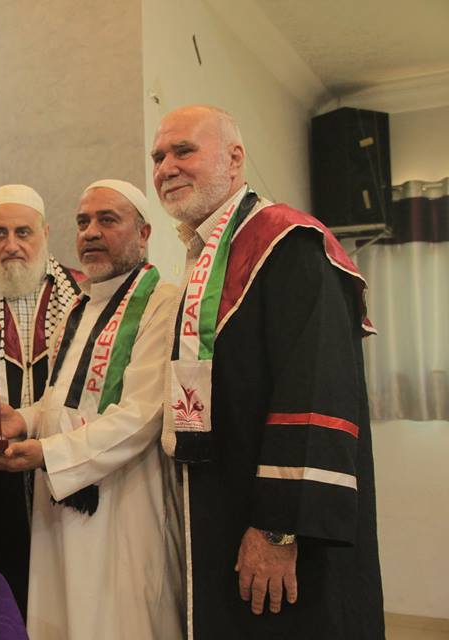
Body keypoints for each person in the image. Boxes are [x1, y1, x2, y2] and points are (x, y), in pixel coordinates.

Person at [151, 105, 383, 638]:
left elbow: (317, 391)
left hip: (282, 528)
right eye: (158, 157)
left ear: (235, 160)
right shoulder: (209, 253)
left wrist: (279, 529)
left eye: (183, 151)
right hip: (225, 503)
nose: (165, 167)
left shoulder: (290, 243)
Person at [0, 180, 182, 640]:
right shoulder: (79, 305)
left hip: (124, 504)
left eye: (107, 220)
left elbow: (142, 416)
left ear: (144, 233)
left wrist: (47, 453)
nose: (91, 232)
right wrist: (23, 419)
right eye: (83, 222)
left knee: (117, 621)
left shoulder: (163, 303)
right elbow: (62, 399)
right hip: (59, 504)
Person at [0, 183, 81, 613]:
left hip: (65, 472)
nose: (10, 245)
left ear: (45, 234)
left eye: (23, 232)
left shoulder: (83, 297)